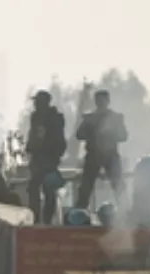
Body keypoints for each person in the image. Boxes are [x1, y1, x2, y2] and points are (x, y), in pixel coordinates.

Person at [74, 89, 128, 209]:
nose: (101, 102)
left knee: (118, 186)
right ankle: (79, 214)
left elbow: (123, 136)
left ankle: (127, 213)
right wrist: (92, 132)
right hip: (94, 155)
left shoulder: (115, 118)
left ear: (107, 101)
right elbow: (79, 134)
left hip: (110, 155)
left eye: (102, 100)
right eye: (99, 100)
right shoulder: (90, 118)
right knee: (86, 188)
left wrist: (109, 134)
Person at [25, 91, 67, 224]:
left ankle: (46, 220)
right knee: (34, 189)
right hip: (38, 158)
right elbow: (33, 135)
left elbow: (58, 139)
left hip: (49, 157)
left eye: (37, 102)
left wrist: (54, 154)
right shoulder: (36, 117)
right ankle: (36, 218)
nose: (35, 105)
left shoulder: (55, 118)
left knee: (48, 189)